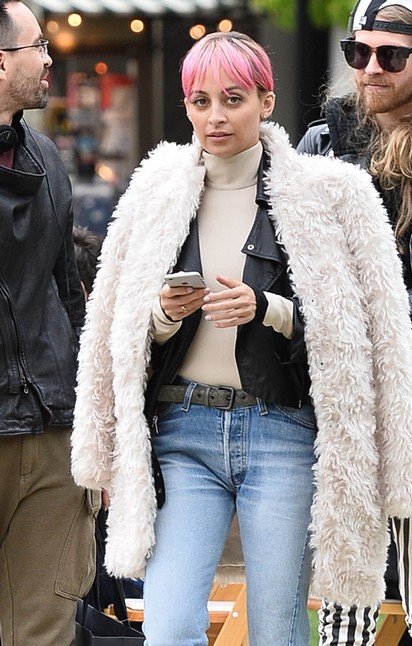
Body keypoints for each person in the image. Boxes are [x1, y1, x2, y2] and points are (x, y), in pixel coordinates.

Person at [70, 31, 412, 646]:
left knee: (277, 630)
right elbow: (114, 327)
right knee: (168, 627)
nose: (215, 116)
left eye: (233, 99)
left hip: (282, 432)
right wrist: (162, 313)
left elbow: (364, 330)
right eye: (201, 101)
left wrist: (270, 309)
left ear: (267, 102)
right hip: (183, 432)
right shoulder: (155, 191)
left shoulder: (330, 193)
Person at [297, 1, 412, 644]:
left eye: (390, 55)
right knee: (345, 612)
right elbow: (292, 266)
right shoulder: (323, 144)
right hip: (342, 404)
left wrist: (392, 309)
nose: (369, 68)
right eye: (358, 52)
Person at [0, 2, 98, 645]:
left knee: (43, 632)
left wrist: (94, 425)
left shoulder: (45, 156)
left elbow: (69, 296)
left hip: (52, 431)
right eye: (37, 45)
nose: (47, 59)